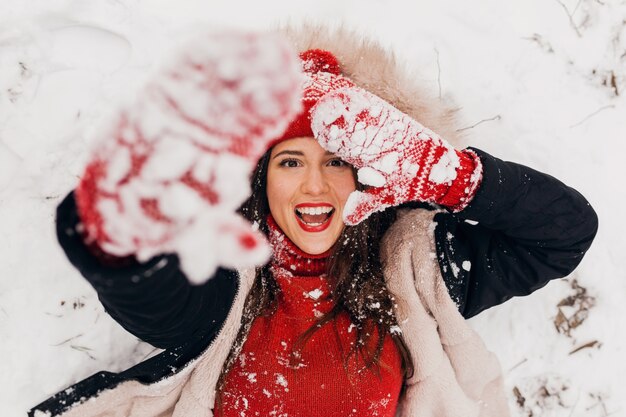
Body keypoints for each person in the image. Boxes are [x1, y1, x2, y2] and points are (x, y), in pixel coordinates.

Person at [29, 26, 598, 417]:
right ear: (261, 177)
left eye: (337, 161)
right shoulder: (227, 281)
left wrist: (450, 175)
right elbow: (151, 292)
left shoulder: (417, 275)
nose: (315, 185)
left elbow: (564, 234)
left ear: (369, 171)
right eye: (291, 161)